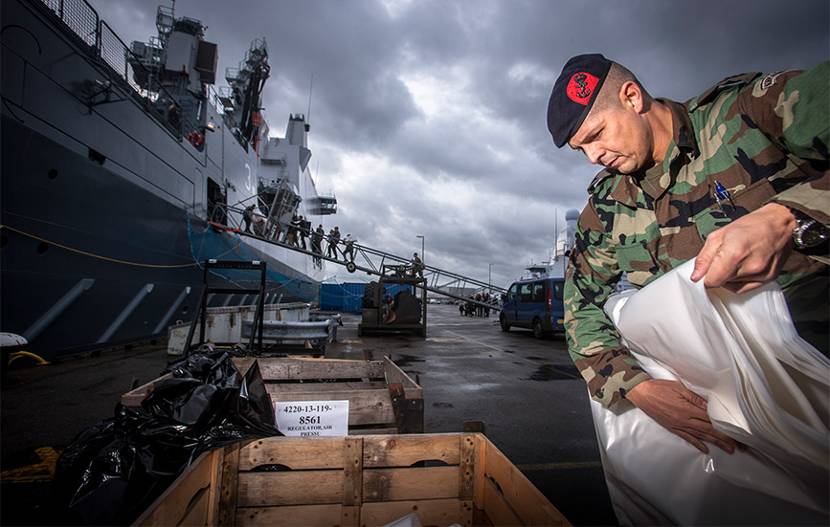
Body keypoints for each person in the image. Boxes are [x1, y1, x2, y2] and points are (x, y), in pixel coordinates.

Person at [547, 54, 828, 454]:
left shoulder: (749, 113)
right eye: (581, 150)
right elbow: (580, 310)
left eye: (596, 135)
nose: (593, 157)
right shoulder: (608, 208)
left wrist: (789, 217)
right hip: (726, 415)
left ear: (632, 97)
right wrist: (637, 388)